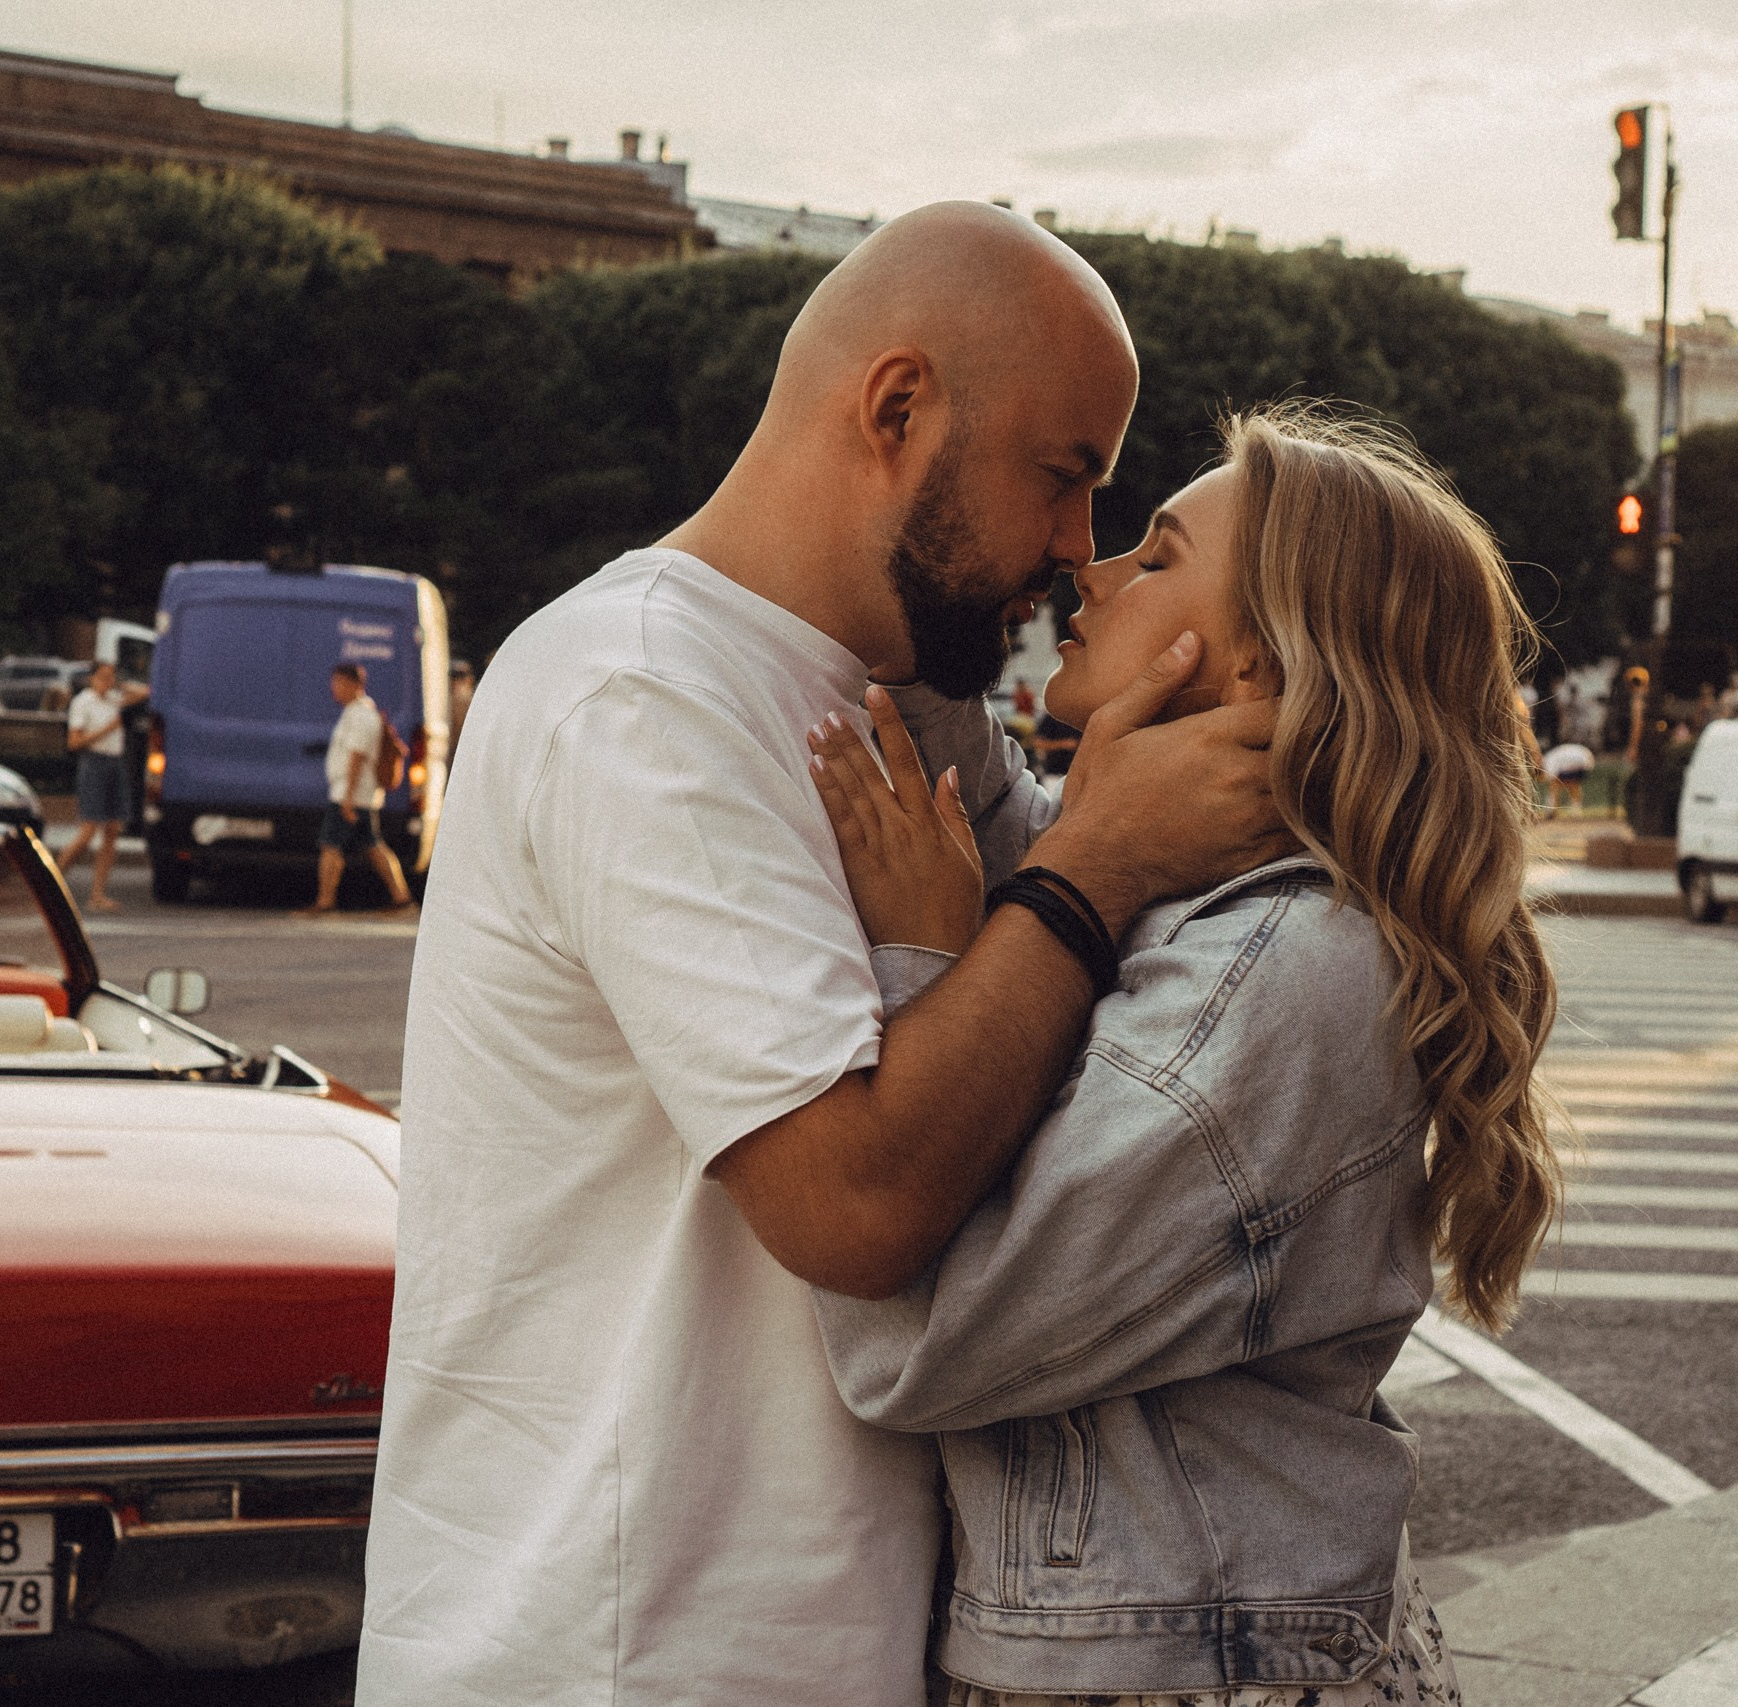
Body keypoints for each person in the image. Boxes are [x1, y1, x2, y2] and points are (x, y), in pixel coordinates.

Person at [358, 202, 1288, 1707]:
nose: (1076, 550)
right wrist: (1089, 863)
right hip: (620, 1651)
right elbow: (853, 1202)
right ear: (898, 407)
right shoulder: (644, 694)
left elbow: (1078, 984)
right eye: (1065, 477)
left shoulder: (910, 699)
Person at [804, 404, 1560, 1704]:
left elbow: (921, 1341)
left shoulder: (1278, 979)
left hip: (1182, 1663)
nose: (1083, 573)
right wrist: (932, 546)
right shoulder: (1210, 890)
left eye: (1152, 556)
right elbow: (1019, 828)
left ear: (1260, 670)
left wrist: (924, 964)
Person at [309, 662, 413, 914]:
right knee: (373, 845)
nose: (333, 689)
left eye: (338, 683)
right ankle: (402, 899)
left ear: (354, 685)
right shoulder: (356, 713)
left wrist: (347, 798)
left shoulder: (361, 716)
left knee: (330, 845)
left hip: (352, 795)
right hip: (357, 795)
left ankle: (325, 902)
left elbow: (356, 757)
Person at [58, 660, 143, 912]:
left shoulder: (113, 699)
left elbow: (144, 693)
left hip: (115, 763)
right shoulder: (83, 703)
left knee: (113, 829)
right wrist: (107, 730)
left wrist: (119, 685)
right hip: (94, 763)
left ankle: (97, 895)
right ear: (92, 678)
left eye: (111, 677)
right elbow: (74, 742)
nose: (107, 682)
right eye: (102, 677)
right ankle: (54, 880)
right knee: (88, 831)